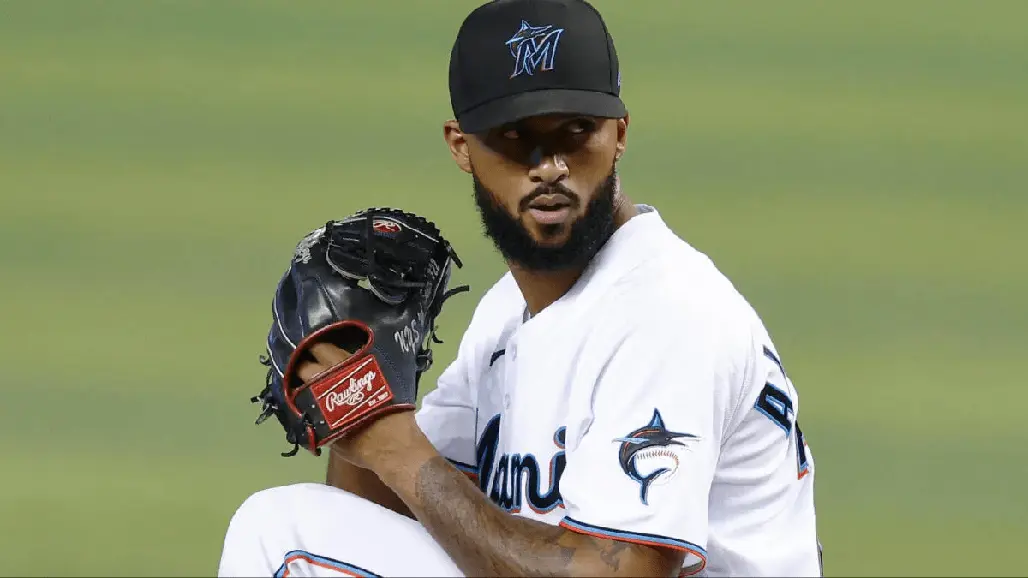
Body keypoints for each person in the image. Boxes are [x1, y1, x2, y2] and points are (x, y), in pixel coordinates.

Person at [217, 0, 822, 576]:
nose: (549, 166)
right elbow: (385, 508)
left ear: (619, 133)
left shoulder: (668, 313)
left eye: (575, 131)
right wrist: (362, 398)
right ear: (462, 146)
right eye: (514, 136)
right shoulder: (509, 312)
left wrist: (391, 442)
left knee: (277, 536)